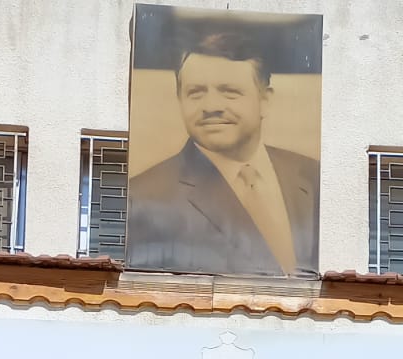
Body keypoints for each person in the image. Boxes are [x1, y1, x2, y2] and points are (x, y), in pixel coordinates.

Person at [127, 28, 319, 276]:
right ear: (180, 100)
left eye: (229, 92)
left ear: (265, 100)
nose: (211, 106)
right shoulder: (145, 196)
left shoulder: (312, 175)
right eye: (196, 93)